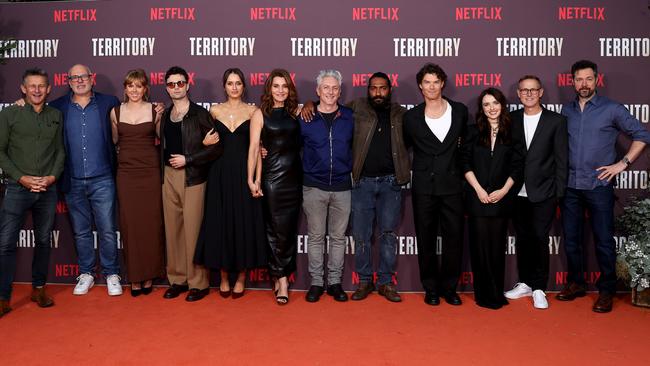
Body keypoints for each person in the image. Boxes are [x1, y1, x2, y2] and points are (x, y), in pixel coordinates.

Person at [558, 60, 650, 313]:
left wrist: (623, 163)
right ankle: (576, 283)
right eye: (579, 79)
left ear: (596, 80)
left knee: (603, 241)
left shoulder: (612, 109)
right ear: (572, 81)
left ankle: (606, 290)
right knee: (572, 241)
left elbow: (642, 135)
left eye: (588, 79)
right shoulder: (566, 111)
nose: (583, 84)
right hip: (570, 186)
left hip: (599, 185)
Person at [49, 64, 123, 296]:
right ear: (68, 81)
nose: (79, 80)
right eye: (74, 77)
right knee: (81, 231)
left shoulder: (109, 102)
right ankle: (86, 273)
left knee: (108, 230)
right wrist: (22, 104)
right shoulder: (57, 107)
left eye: (84, 76)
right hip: (73, 180)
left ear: (92, 79)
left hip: (103, 178)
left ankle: (112, 273)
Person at [195, 68, 268, 299]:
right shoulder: (214, 111)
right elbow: (205, 144)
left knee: (245, 223)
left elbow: (256, 149)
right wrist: (204, 143)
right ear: (224, 86)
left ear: (243, 86)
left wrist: (256, 178)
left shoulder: (254, 111)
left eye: (238, 83)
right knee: (221, 223)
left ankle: (242, 277)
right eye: (230, 83)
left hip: (243, 173)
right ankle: (224, 276)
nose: (234, 87)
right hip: (219, 173)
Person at [402, 63, 468, 306]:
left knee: (454, 239)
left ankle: (449, 288)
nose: (431, 86)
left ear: (443, 83)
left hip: (452, 186)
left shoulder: (460, 111)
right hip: (424, 188)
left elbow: (467, 148)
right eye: (426, 82)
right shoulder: (411, 117)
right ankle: (430, 288)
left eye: (435, 81)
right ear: (420, 86)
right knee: (426, 238)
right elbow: (406, 146)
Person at [0, 68, 64, 317]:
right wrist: (22, 178)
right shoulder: (10, 114)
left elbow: (60, 151)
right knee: (5, 243)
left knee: (44, 241)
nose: (37, 90)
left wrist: (51, 177)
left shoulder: (56, 115)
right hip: (17, 188)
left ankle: (39, 289)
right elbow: (1, 152)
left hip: (47, 189)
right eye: (32, 86)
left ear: (49, 89)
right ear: (23, 89)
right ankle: (3, 297)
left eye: (41, 86)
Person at [160, 66, 222, 302]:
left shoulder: (200, 114)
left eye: (180, 83)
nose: (176, 87)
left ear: (187, 85)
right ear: (167, 87)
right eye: (171, 84)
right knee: (173, 230)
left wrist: (190, 158)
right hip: (168, 176)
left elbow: (216, 148)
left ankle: (198, 283)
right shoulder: (165, 115)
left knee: (193, 230)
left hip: (194, 177)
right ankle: (177, 279)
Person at [505, 75, 568, 309]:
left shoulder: (556, 121)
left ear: (541, 92)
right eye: (524, 90)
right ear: (519, 94)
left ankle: (540, 287)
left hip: (545, 192)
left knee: (540, 238)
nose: (529, 94)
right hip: (516, 193)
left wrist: (558, 193)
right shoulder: (510, 119)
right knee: (522, 239)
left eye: (533, 90)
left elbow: (562, 159)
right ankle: (525, 283)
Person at [348, 72, 410, 303]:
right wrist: (311, 104)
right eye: (373, 88)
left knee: (388, 234)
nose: (377, 93)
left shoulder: (401, 114)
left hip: (391, 183)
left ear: (389, 90)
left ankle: (385, 283)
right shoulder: (356, 108)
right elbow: (329, 108)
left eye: (382, 88)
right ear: (368, 89)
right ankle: (365, 281)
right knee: (361, 234)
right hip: (362, 182)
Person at [461, 88, 523, 310]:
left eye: (495, 103)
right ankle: (482, 294)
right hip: (477, 197)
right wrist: (478, 189)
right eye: (486, 104)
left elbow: (517, 166)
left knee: (497, 248)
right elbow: (465, 163)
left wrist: (504, 191)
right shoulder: (472, 132)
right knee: (479, 248)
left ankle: (496, 293)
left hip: (501, 199)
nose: (491, 108)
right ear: (481, 108)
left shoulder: (512, 132)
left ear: (502, 105)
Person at [248, 69, 302, 305]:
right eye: (276, 86)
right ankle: (281, 280)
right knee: (274, 230)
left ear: (289, 89)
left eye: (284, 86)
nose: (280, 90)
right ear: (269, 89)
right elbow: (253, 148)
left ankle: (282, 275)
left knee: (288, 231)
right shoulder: (260, 114)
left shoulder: (297, 112)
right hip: (272, 179)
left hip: (294, 179)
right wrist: (251, 179)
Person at [109, 69, 165, 297]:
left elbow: (163, 140)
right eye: (130, 86)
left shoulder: (156, 111)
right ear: (125, 88)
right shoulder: (114, 112)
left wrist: (162, 114)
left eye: (138, 86)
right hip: (126, 175)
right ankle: (134, 277)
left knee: (151, 225)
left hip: (150, 173)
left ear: (145, 89)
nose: (134, 90)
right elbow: (114, 142)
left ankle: (149, 274)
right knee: (130, 226)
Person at [300, 70, 354, 303]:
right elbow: (289, 145)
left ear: (340, 92)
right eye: (326, 88)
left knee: (338, 237)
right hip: (314, 186)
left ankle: (334, 283)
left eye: (334, 88)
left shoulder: (350, 116)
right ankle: (316, 283)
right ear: (317, 91)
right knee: (315, 237)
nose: (330, 92)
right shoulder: (305, 118)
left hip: (343, 186)